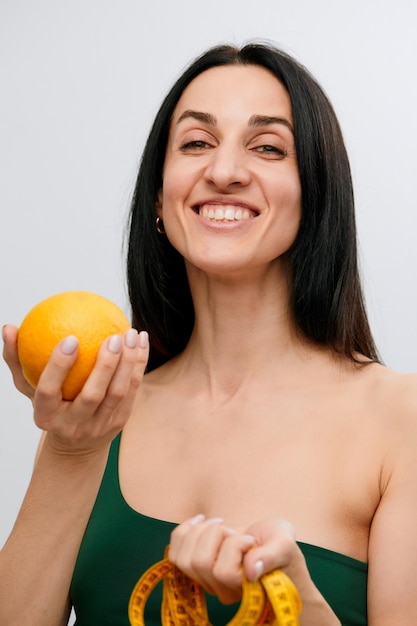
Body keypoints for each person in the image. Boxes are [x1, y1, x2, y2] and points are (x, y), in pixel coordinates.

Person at [1, 41, 417, 626]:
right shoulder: (95, 416)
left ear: (315, 194)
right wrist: (71, 452)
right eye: (196, 143)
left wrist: (296, 608)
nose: (223, 172)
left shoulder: (403, 419)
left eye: (268, 147)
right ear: (158, 197)